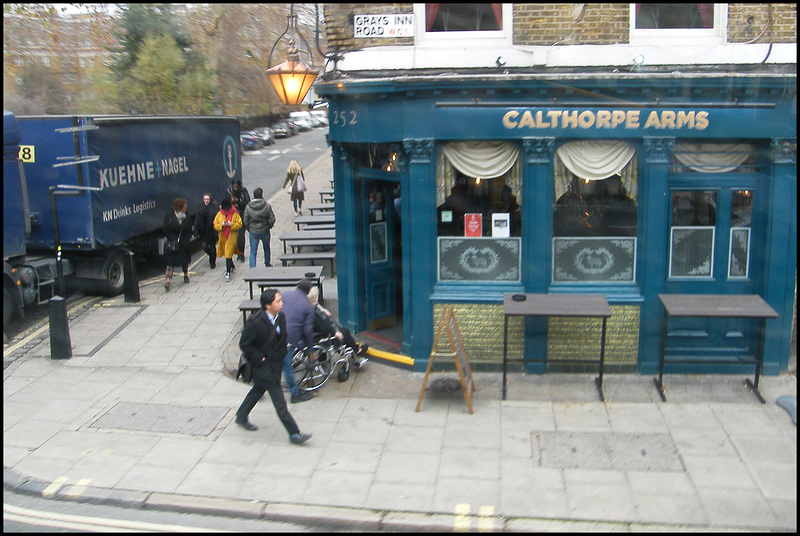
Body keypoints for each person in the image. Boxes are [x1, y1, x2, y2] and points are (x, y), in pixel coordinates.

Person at [235, 288, 312, 445]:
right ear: (268, 306)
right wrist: (260, 358)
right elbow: (244, 344)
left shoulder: (281, 317)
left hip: (275, 364)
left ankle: (241, 416)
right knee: (280, 402)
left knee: (257, 390)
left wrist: (283, 353)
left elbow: (281, 339)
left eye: (281, 300)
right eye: (278, 301)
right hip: (263, 368)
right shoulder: (255, 322)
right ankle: (294, 434)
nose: (281, 303)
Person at [307, 286, 369, 367]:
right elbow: (325, 326)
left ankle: (323, 357)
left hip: (313, 332)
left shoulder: (307, 308)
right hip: (321, 335)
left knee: (341, 329)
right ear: (316, 299)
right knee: (345, 331)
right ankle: (357, 350)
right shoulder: (315, 313)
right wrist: (335, 331)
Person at [280, 279, 318, 403]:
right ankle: (295, 394)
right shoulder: (308, 306)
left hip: (275, 333)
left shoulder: (284, 295)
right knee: (288, 367)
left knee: (277, 363)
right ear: (308, 291)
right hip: (288, 338)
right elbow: (308, 330)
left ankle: (263, 386)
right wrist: (311, 350)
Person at [162, 198, 193, 291]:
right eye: (184, 205)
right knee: (170, 262)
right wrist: (171, 238)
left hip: (183, 242)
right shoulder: (169, 216)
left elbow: (189, 228)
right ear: (180, 207)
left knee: (185, 261)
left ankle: (186, 275)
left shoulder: (186, 215)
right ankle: (167, 281)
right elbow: (165, 228)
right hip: (172, 242)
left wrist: (187, 239)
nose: (186, 206)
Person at [243, 187, 276, 268]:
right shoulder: (267, 206)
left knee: (253, 251)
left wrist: (249, 228)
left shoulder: (248, 207)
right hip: (264, 230)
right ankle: (267, 263)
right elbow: (272, 219)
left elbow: (245, 220)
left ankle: (252, 267)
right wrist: (269, 226)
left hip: (253, 231)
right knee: (266, 247)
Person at [214, 198, 242, 282]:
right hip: (223, 237)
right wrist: (222, 225)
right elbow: (215, 225)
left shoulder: (235, 214)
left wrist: (231, 224)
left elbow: (239, 224)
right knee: (227, 253)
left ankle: (228, 272)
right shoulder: (219, 214)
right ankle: (232, 265)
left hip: (232, 237)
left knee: (228, 253)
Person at [226, 178, 250, 263]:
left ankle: (241, 253)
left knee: (240, 235)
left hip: (241, 215)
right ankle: (235, 253)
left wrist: (239, 202)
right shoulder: (229, 191)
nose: (235, 189)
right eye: (234, 187)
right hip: (231, 215)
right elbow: (226, 203)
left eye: (237, 187)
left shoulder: (243, 190)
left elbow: (247, 201)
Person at [194, 193, 219, 269]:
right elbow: (197, 220)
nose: (206, 201)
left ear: (210, 199)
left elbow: (218, 217)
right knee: (204, 246)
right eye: (205, 199)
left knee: (212, 246)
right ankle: (212, 255)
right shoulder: (200, 208)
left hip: (212, 230)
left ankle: (212, 262)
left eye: (208, 199)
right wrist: (196, 230)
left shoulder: (214, 207)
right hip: (204, 231)